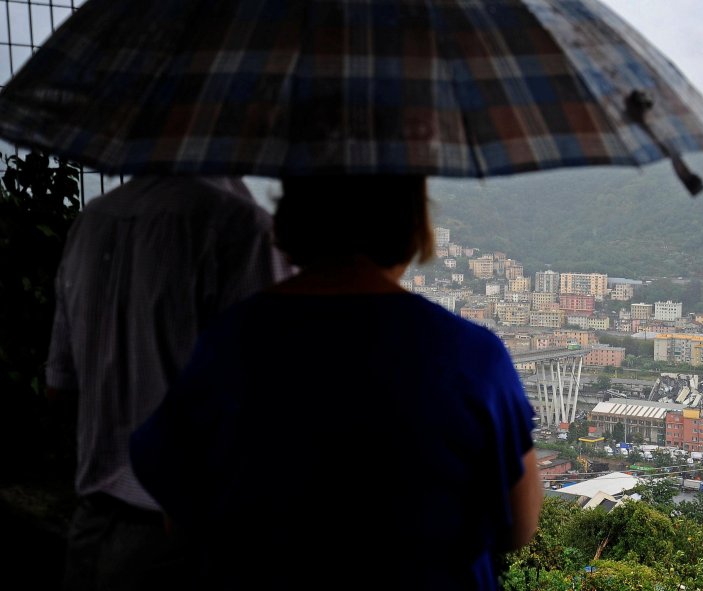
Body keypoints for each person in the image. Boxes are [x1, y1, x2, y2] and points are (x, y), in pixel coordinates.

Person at [130, 174, 543, 590]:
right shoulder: (471, 357)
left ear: (294, 216)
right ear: (411, 222)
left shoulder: (227, 346)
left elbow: (179, 514)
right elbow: (518, 526)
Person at [45, 175, 289, 591]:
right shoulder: (243, 229)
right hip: (188, 540)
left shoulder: (93, 219)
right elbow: (269, 404)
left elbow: (59, 387)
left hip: (91, 524)